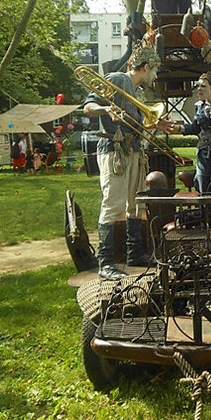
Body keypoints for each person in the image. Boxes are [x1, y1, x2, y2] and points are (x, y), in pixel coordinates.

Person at [83, 41, 168, 279]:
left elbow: (135, 125)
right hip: (114, 150)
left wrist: (155, 123)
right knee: (113, 204)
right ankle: (106, 262)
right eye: (155, 70)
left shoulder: (138, 92)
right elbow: (88, 107)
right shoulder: (117, 79)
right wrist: (105, 110)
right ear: (146, 66)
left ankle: (134, 253)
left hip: (133, 151)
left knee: (135, 204)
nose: (156, 76)